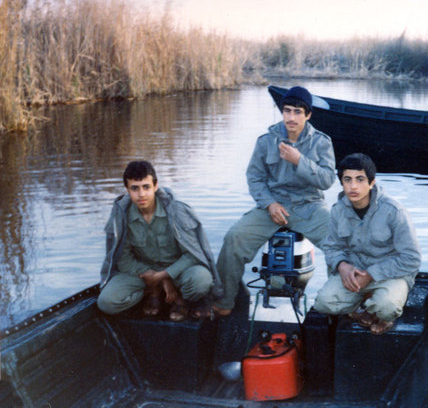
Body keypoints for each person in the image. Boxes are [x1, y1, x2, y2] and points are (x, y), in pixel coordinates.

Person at [210, 85, 335, 316]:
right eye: (287, 111)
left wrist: (299, 161)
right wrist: (269, 204)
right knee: (234, 238)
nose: (291, 117)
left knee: (338, 242)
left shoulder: (321, 142)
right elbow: (255, 178)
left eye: (297, 112)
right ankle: (224, 303)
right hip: (273, 206)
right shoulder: (266, 141)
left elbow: (327, 180)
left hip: (309, 206)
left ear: (308, 115)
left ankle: (338, 303)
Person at [97, 160, 222, 321]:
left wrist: (164, 275)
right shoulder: (121, 216)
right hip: (143, 275)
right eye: (135, 188)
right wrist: (155, 278)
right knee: (107, 302)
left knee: (201, 280)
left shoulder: (177, 211)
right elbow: (123, 260)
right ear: (127, 189)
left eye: (146, 187)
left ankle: (181, 300)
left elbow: (193, 255)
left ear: (155, 186)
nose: (141, 194)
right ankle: (153, 292)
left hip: (179, 272)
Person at [314, 153, 421, 335]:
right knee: (324, 303)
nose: (353, 186)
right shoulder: (338, 210)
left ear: (371, 183)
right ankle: (359, 307)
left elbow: (412, 259)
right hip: (355, 273)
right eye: (347, 179)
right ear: (341, 183)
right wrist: (342, 266)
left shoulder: (394, 211)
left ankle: (385, 317)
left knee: (386, 307)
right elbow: (332, 247)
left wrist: (371, 274)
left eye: (360, 179)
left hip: (390, 275)